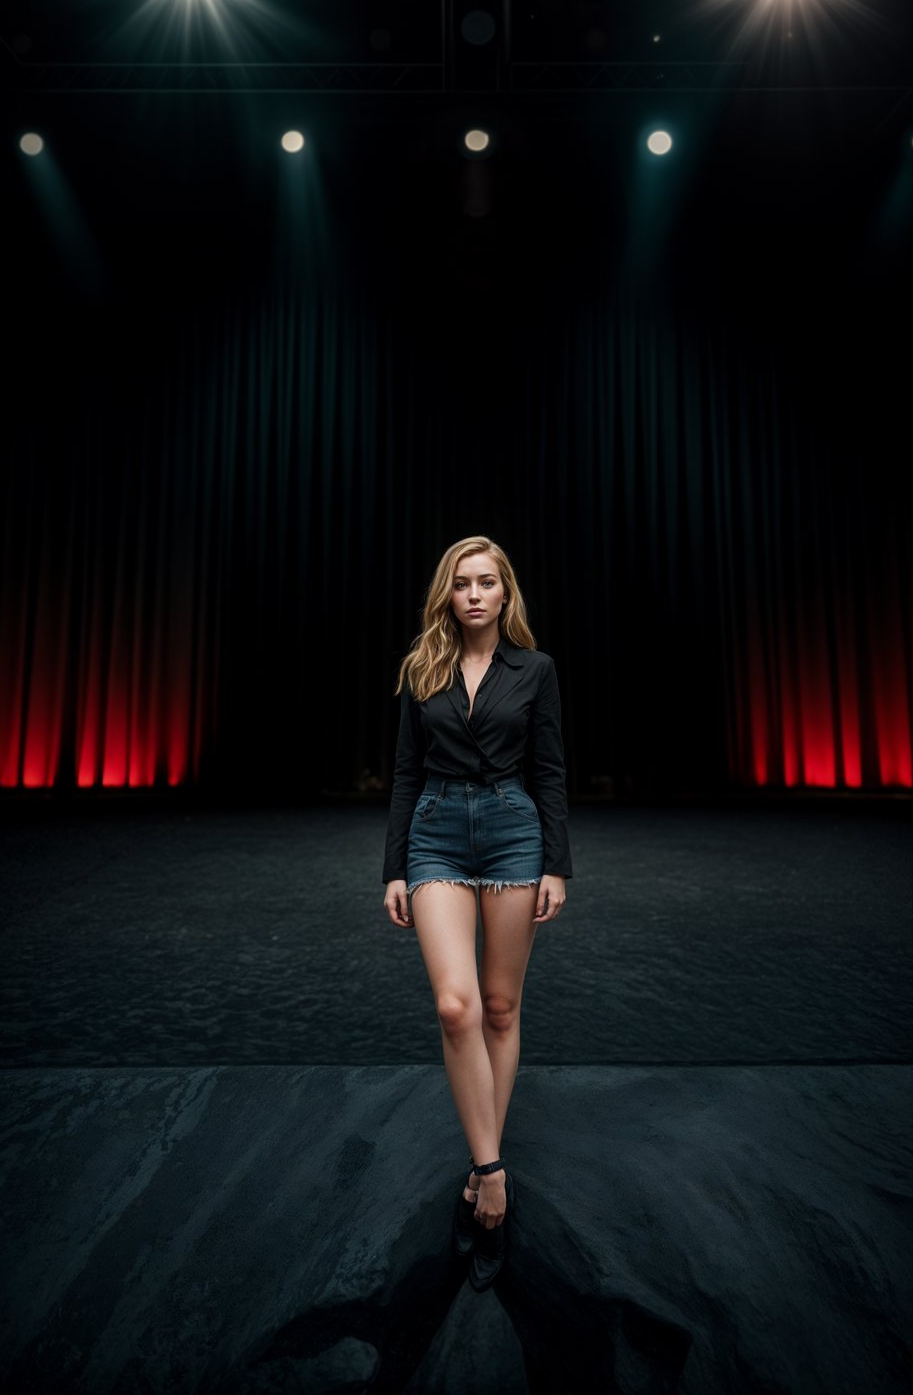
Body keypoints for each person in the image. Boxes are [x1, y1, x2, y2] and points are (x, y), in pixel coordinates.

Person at [381, 535, 573, 1291]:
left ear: (504, 594)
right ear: (447, 594)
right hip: (434, 834)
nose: (473, 594)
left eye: (486, 582)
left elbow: (550, 770)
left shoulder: (537, 670)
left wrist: (557, 862)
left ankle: (479, 1159)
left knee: (499, 1006)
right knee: (455, 1007)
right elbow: (402, 772)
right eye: (461, 583)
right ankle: (491, 1172)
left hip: (512, 834)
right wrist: (392, 867)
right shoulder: (421, 668)